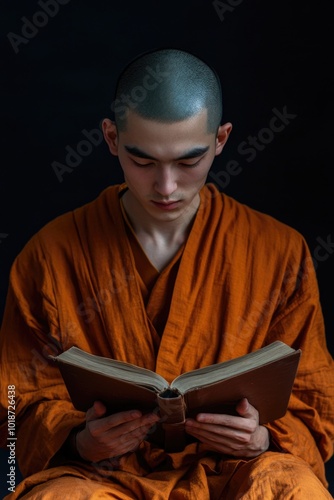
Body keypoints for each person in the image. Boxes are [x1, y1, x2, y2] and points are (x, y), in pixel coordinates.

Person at [0, 48, 333, 499]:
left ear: (221, 139)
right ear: (112, 137)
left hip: (233, 474)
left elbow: (313, 402)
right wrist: (80, 438)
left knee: (295, 491)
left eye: (188, 161)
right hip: (100, 477)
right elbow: (14, 406)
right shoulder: (50, 255)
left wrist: (262, 438)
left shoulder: (278, 251)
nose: (166, 186)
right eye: (143, 161)